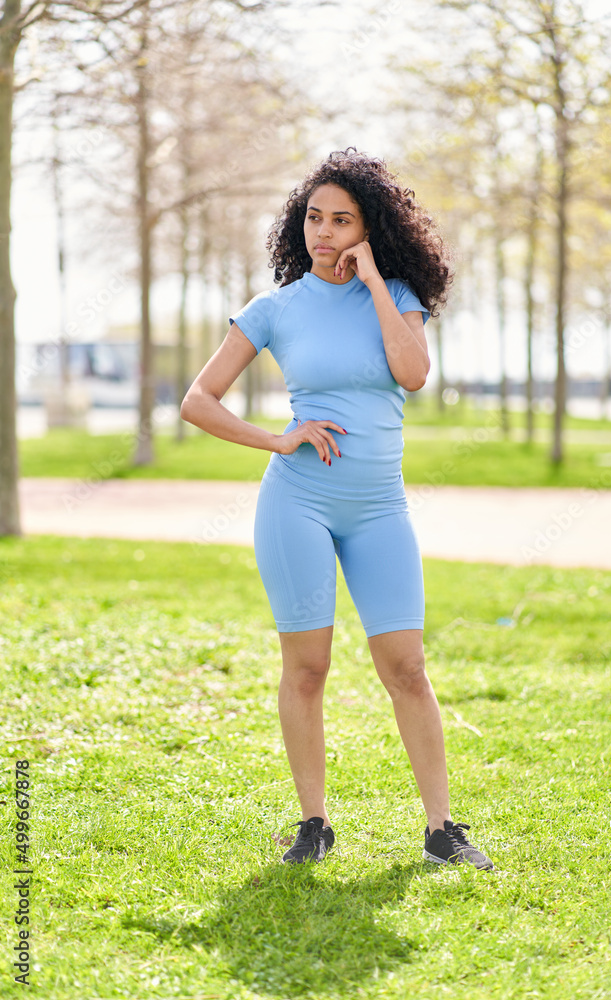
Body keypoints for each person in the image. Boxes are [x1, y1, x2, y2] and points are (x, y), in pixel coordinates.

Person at [180, 148, 493, 871]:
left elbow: (411, 374)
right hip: (299, 502)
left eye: (341, 220)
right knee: (308, 667)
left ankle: (442, 829)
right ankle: (313, 823)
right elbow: (199, 400)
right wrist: (275, 438)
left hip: (380, 506)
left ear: (369, 228)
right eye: (314, 218)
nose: (324, 232)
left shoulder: (400, 295)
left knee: (407, 667)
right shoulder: (276, 309)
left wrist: (378, 279)